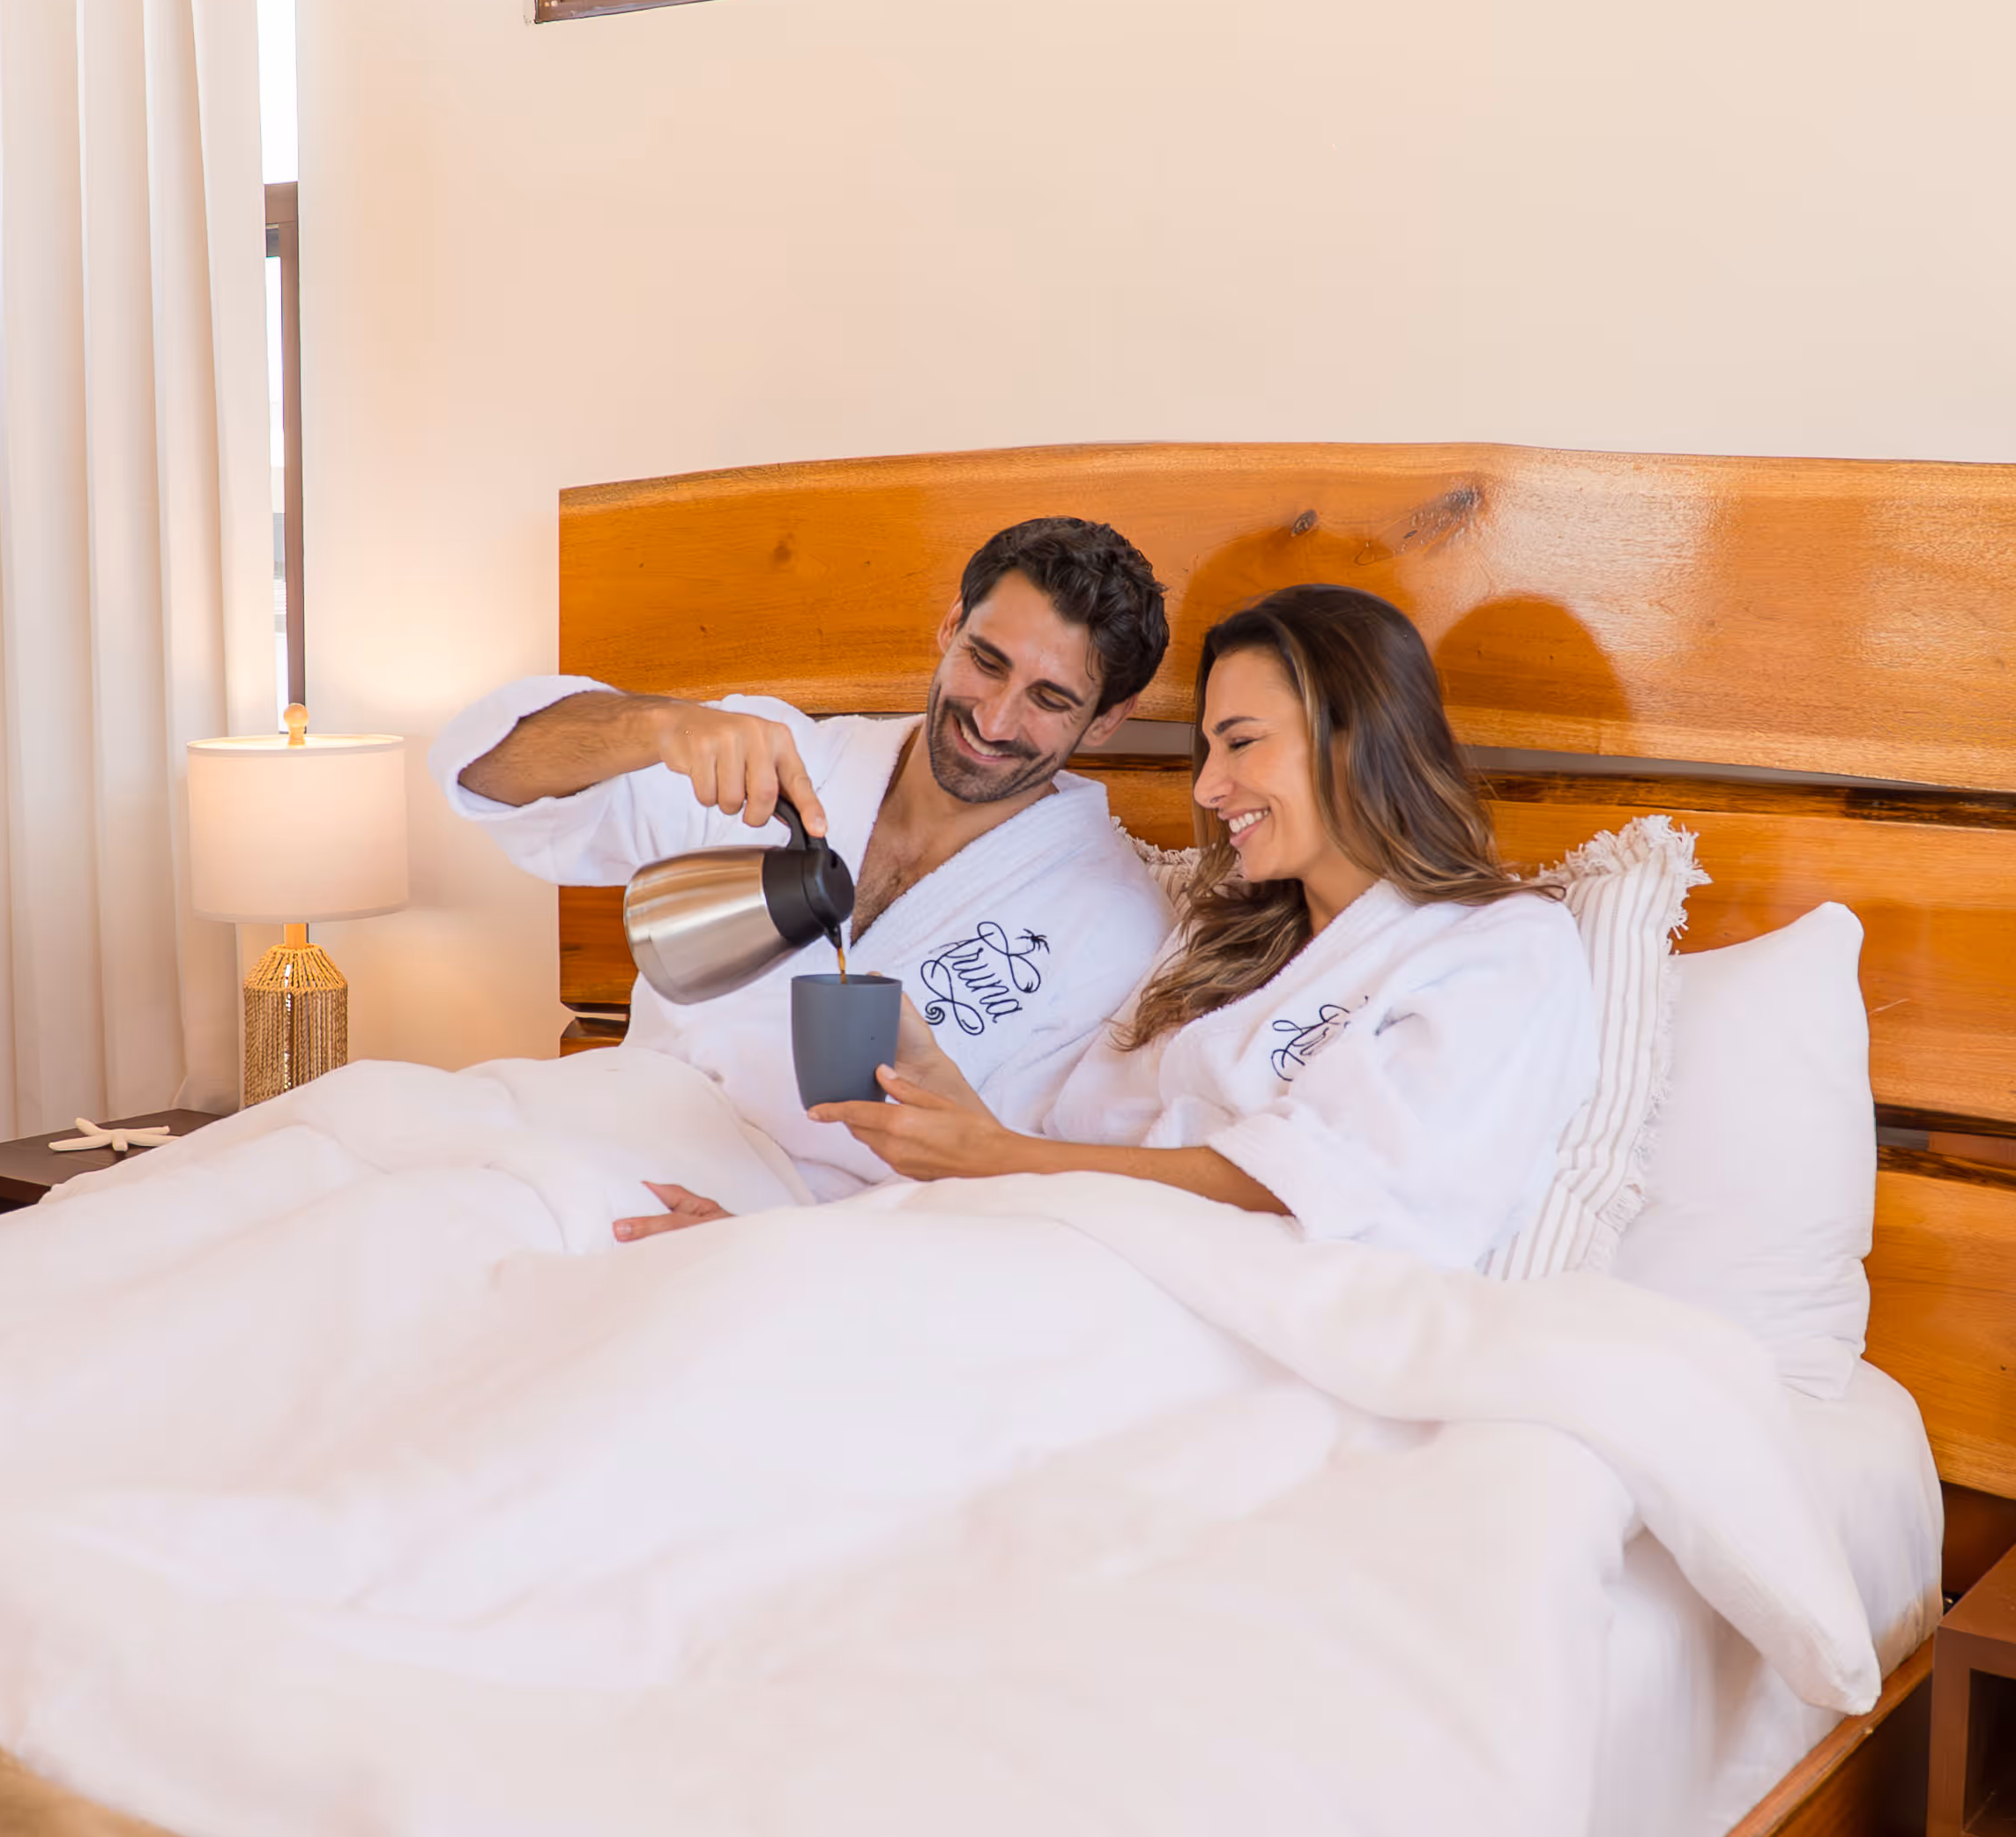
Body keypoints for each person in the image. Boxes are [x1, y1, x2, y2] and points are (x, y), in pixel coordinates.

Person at [810, 583, 1599, 1276]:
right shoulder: (1218, 945)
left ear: (1358, 736)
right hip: (1074, 1267)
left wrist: (1001, 1158)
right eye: (1209, 746)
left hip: (1268, 1315)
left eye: (1242, 742)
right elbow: (1074, 1149)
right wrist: (951, 1128)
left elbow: (1357, 1182)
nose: (1210, 786)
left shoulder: (1502, 948)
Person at [431, 517, 1176, 1216]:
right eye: (985, 661)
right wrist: (653, 726)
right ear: (951, 626)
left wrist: (767, 1245)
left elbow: (1016, 1191)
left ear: (1108, 717)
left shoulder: (1112, 926)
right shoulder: (778, 756)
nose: (994, 720)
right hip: (601, 1136)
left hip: (815, 1243)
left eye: (1049, 698)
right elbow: (481, 773)